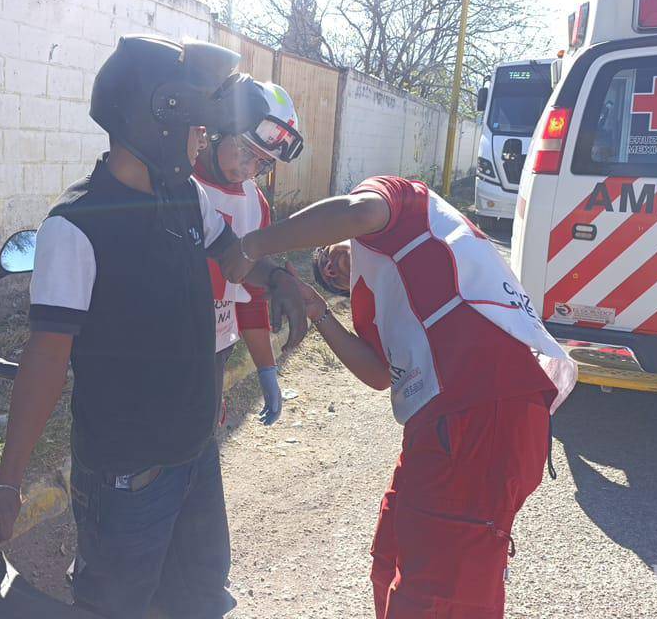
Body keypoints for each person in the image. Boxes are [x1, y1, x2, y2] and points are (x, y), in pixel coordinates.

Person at [0, 35, 309, 619]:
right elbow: (46, 361)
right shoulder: (76, 227)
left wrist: (279, 278)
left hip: (196, 452)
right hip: (129, 478)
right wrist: (7, 484)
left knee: (200, 599)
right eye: (196, 126)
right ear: (157, 123)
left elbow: (233, 255)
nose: (203, 138)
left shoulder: (184, 196)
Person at [222, 175, 577, 619]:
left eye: (328, 258)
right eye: (329, 281)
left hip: (485, 410)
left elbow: (356, 213)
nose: (331, 272)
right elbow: (378, 374)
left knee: (440, 593)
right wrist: (322, 314)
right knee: (391, 561)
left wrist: (250, 247)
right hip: (445, 421)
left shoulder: (400, 204)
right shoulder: (380, 297)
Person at [193, 81, 305, 426]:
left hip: (214, 352)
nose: (248, 170)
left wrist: (267, 369)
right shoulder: (177, 184)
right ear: (217, 130)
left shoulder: (255, 205)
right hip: (163, 349)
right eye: (244, 151)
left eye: (263, 164)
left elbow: (251, 298)